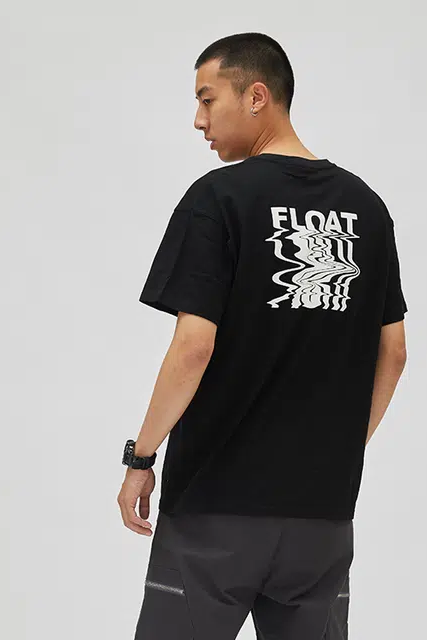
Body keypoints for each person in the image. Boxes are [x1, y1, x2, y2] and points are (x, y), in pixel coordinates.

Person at [117, 31, 408, 640]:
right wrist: (338, 450)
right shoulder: (368, 208)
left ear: (255, 96)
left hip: (214, 508)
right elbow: (394, 352)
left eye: (207, 99)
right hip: (322, 517)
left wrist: (141, 456)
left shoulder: (218, 198)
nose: (198, 120)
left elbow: (193, 347)